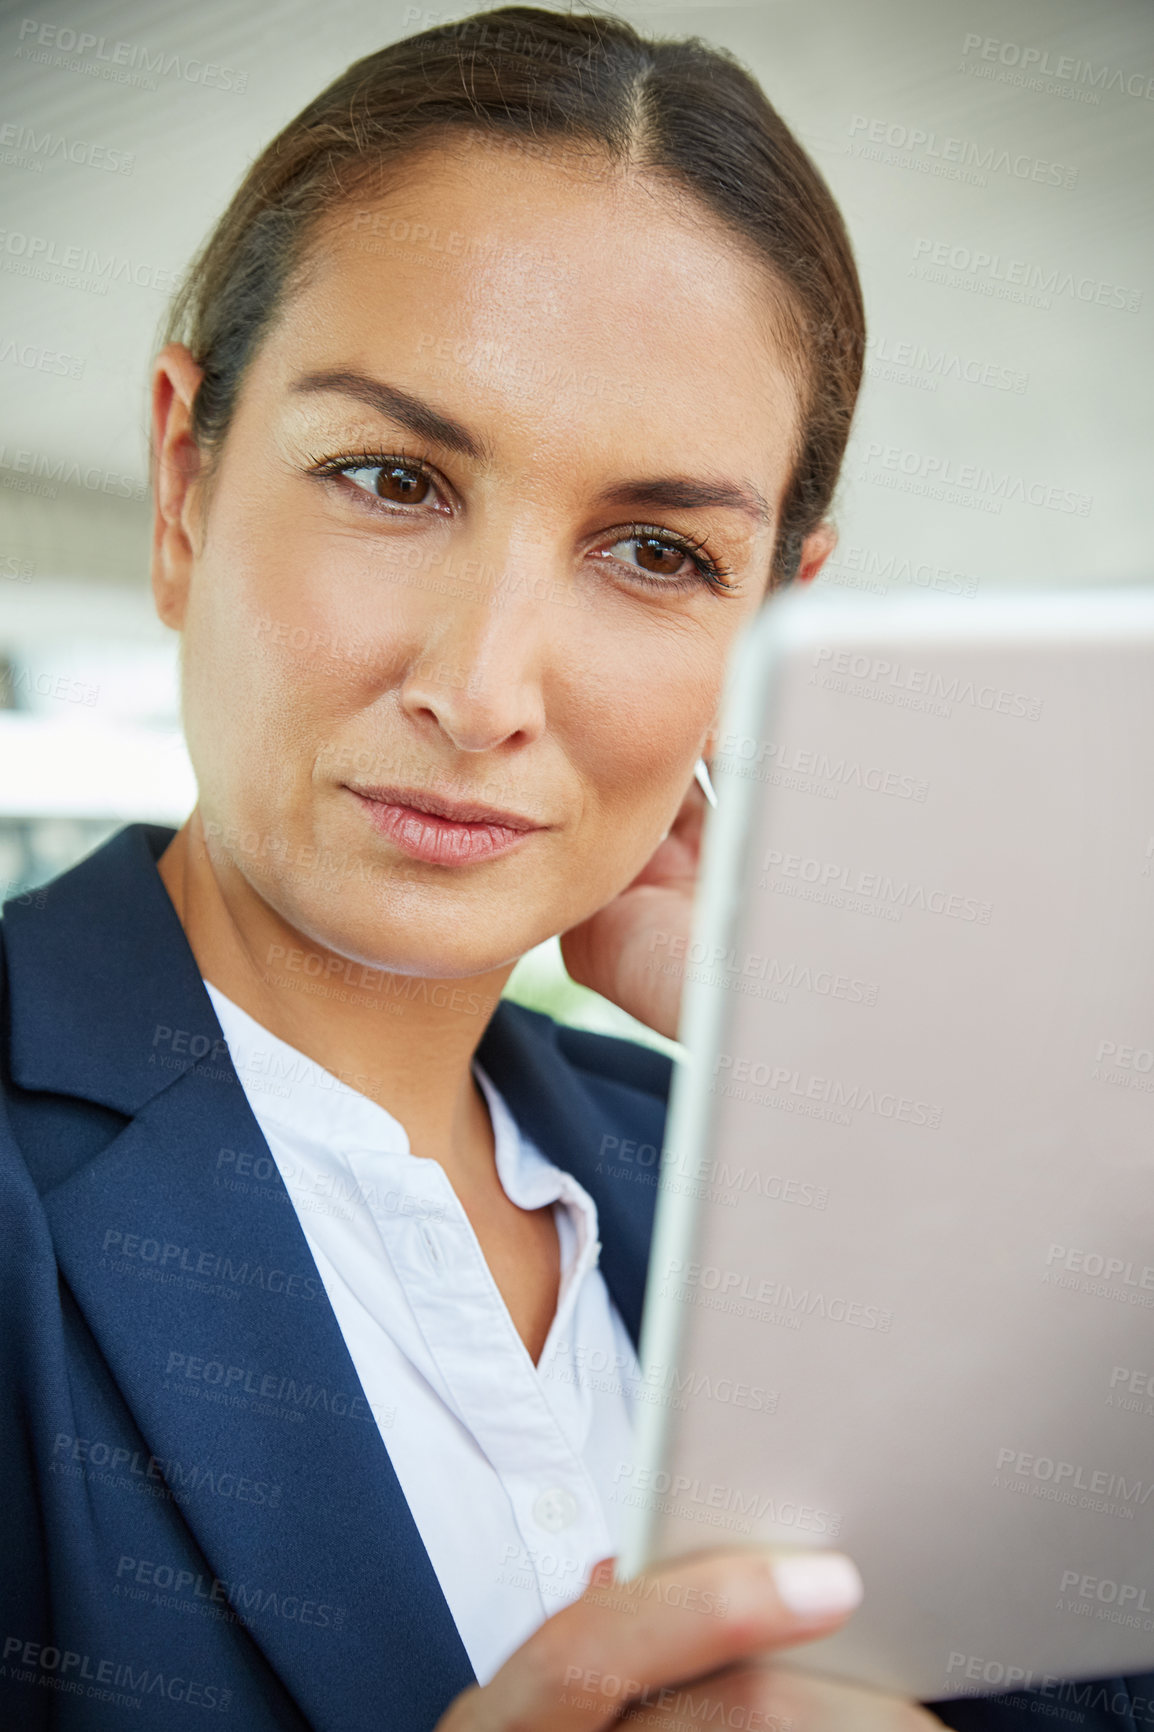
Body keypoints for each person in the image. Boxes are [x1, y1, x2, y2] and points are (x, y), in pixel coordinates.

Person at [1, 7, 1147, 1728]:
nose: (481, 689)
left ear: (769, 623)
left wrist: (845, 1059)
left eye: (656, 551)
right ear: (184, 485)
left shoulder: (764, 1166)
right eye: (391, 478)